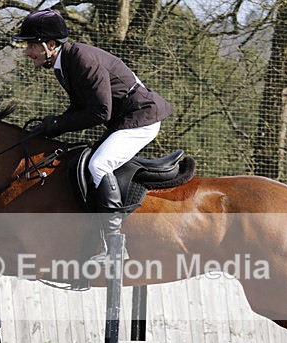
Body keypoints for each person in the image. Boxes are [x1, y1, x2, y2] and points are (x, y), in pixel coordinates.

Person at [13, 9, 173, 260]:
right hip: (124, 120)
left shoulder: (81, 59)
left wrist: (56, 124)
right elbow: (81, 108)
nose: (27, 52)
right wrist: (49, 128)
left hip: (141, 118)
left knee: (99, 165)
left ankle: (114, 247)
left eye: (31, 45)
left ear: (50, 44)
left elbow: (100, 112)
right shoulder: (64, 63)